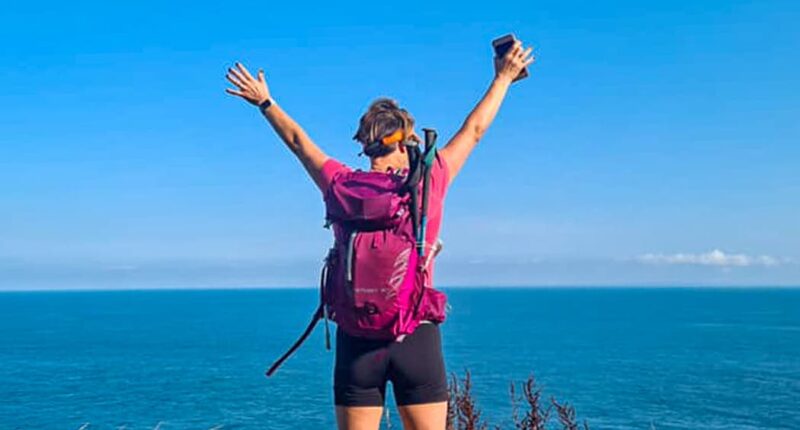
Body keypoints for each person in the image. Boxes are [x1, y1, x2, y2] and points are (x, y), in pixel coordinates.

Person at [225, 39, 534, 430]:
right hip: (416, 338)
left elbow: (298, 143)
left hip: (356, 344)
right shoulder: (427, 183)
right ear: (407, 143)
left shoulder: (339, 184)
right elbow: (473, 130)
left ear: (366, 145)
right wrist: (504, 77)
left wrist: (265, 103)